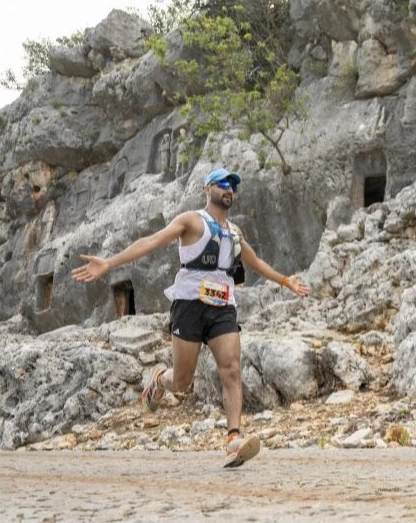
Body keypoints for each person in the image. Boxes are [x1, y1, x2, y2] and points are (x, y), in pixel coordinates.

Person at [72, 167, 310, 467]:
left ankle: (233, 440)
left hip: (222, 305)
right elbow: (151, 241)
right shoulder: (191, 221)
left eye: (233, 186)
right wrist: (109, 263)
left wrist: (285, 281)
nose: (229, 189)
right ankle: (159, 381)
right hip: (189, 304)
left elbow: (256, 262)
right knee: (183, 380)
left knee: (231, 368)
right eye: (223, 184)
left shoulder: (234, 233)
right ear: (207, 190)